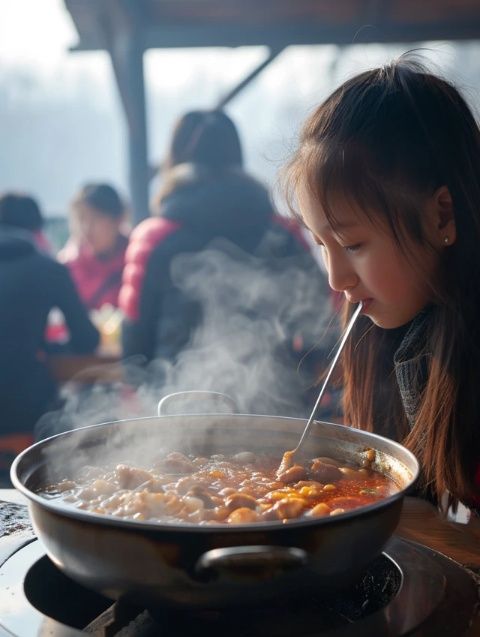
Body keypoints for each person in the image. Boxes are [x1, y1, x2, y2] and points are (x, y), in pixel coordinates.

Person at [284, 56, 480, 514]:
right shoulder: (393, 328)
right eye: (321, 244)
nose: (337, 278)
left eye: (352, 244)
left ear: (441, 216)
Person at [119, 109, 335, 416]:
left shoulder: (154, 236)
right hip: (277, 409)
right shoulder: (283, 231)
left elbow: (134, 345)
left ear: (174, 157)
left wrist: (139, 407)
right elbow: (322, 320)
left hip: (177, 410)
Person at [0, 193, 99, 482]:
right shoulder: (48, 269)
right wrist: (48, 347)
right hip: (24, 410)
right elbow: (86, 339)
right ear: (37, 231)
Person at [60, 183, 129, 311]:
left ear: (118, 219)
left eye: (95, 218)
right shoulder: (67, 267)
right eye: (81, 219)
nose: (86, 229)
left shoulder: (137, 260)